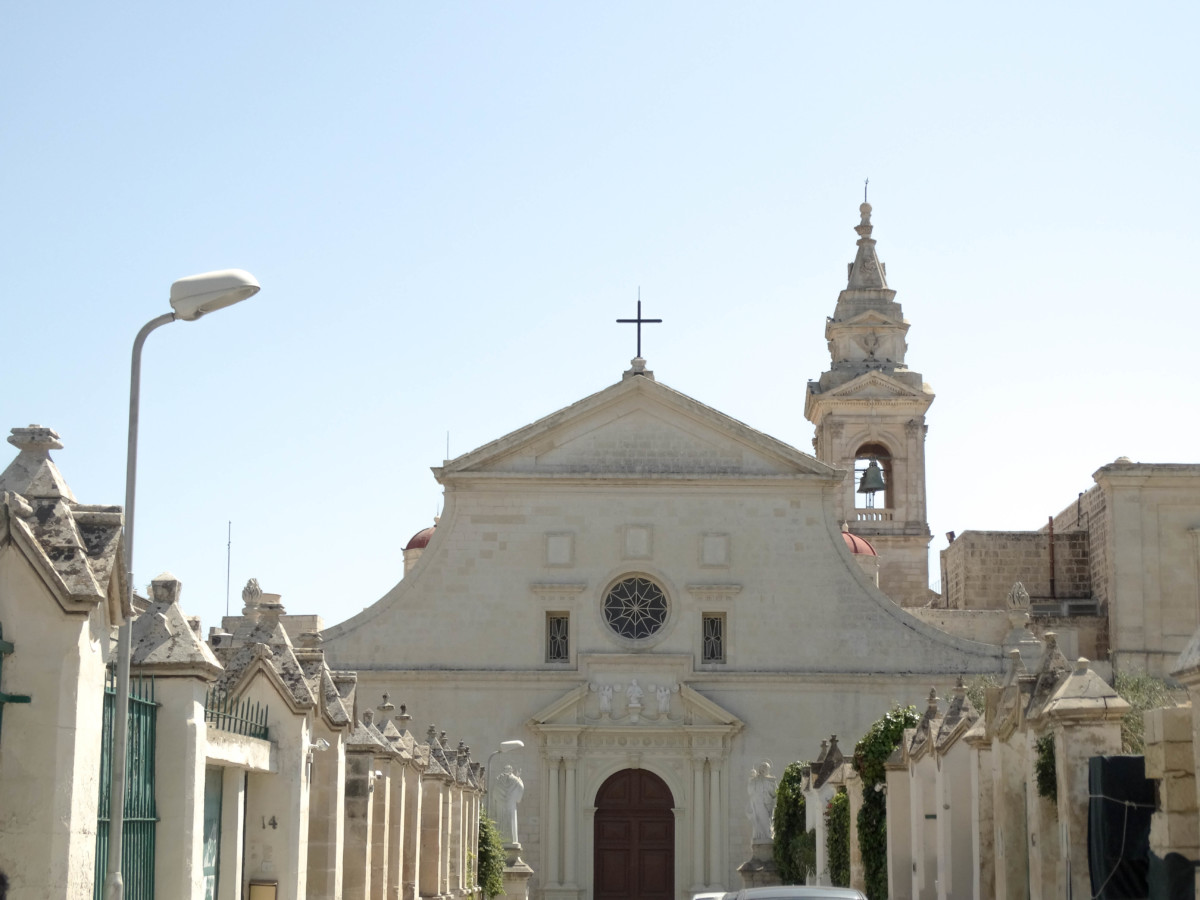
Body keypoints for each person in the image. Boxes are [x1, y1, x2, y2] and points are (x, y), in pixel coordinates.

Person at [494, 764, 524, 844]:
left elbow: (495, 794)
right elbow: (520, 788)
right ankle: (511, 839)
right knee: (511, 821)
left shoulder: (498, 780)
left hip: (501, 805)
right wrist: (518, 778)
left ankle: (501, 839)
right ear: (511, 770)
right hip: (510, 805)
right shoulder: (515, 780)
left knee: (501, 821)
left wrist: (498, 798)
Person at [747, 761, 777, 843]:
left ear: (768, 770)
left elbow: (775, 793)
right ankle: (762, 837)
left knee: (767, 821)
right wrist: (750, 780)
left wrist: (770, 786)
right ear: (760, 769)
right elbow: (750, 791)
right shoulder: (755, 780)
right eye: (762, 768)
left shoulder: (771, 781)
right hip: (758, 804)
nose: (763, 769)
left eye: (766, 768)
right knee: (761, 821)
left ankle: (767, 837)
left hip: (767, 805)